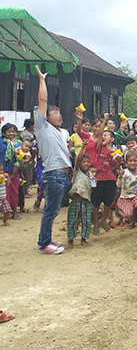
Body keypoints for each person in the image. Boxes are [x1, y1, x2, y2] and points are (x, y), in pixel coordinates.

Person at [34, 65, 71, 255]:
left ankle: (47, 239)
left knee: (54, 210)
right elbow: (43, 99)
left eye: (59, 111)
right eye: (54, 111)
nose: (58, 113)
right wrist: (42, 80)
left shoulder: (61, 132)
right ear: (45, 117)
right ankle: (44, 244)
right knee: (50, 210)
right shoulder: (42, 127)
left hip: (62, 176)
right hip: (54, 175)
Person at [66, 141, 93, 248]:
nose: (85, 164)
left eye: (87, 162)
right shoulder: (77, 171)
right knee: (72, 221)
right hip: (75, 201)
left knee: (86, 221)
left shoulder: (90, 174)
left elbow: (92, 188)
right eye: (83, 162)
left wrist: (94, 184)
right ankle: (70, 241)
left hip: (86, 201)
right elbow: (78, 159)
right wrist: (83, 147)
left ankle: (84, 239)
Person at [116, 151, 137, 229]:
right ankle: (121, 210)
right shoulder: (124, 172)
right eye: (130, 161)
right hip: (126, 196)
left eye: (135, 161)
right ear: (126, 162)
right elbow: (119, 185)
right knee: (128, 214)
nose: (133, 163)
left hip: (136, 195)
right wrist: (120, 176)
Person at [1, 123, 20, 220]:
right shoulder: (0, 142)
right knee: (3, 193)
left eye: (13, 131)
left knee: (14, 192)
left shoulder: (17, 143)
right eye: (9, 131)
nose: (12, 133)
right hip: (2, 171)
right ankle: (5, 213)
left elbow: (21, 156)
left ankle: (14, 211)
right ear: (3, 133)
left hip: (14, 171)